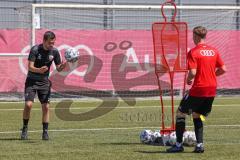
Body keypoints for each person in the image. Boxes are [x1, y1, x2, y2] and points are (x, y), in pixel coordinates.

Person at [166, 26, 226, 153]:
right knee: (196, 115)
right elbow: (223, 69)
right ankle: (199, 145)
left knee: (180, 113)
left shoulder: (193, 52)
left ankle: (178, 145)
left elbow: (193, 72)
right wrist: (212, 75)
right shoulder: (214, 51)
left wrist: (188, 80)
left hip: (199, 88)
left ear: (196, 36)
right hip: (212, 89)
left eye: (193, 36)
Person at [21, 31, 67, 140]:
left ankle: (45, 132)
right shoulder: (35, 49)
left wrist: (65, 65)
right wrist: (39, 70)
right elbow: (30, 67)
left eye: (53, 43)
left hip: (44, 82)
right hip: (31, 81)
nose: (52, 45)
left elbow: (58, 68)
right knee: (28, 105)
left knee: (46, 107)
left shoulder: (55, 52)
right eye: (50, 43)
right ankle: (24, 128)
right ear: (44, 41)